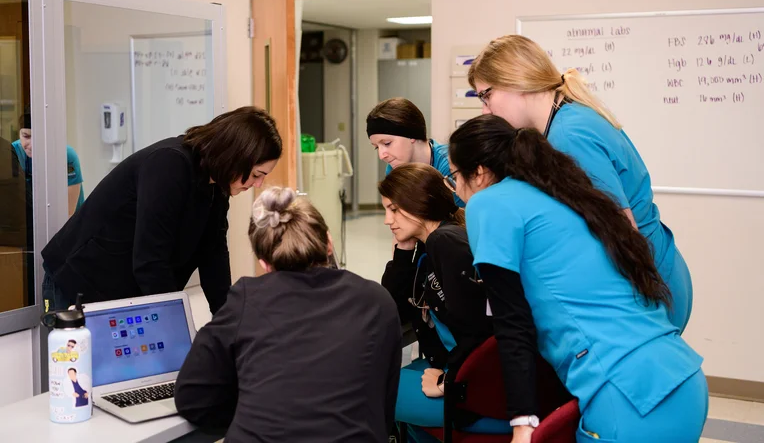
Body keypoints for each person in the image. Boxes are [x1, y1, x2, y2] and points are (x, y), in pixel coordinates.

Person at [447, 115, 707, 443]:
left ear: (480, 173)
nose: (456, 190)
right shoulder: (561, 192)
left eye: (455, 175)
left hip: (628, 398)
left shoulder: (488, 203)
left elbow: (512, 323)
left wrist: (522, 424)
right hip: (682, 377)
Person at [467, 35, 692, 333]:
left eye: (486, 95)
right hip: (657, 269)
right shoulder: (567, 117)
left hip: (648, 283)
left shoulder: (569, 136)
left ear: (516, 80)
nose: (485, 110)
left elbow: (623, 235)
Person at [175, 187, 402, 443]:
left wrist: (251, 410)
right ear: (328, 242)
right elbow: (382, 405)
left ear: (263, 262)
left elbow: (191, 398)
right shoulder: (377, 300)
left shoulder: (247, 299)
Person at [41, 106, 282, 314]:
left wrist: (229, 321)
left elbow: (213, 255)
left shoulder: (215, 187)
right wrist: (174, 321)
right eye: (256, 175)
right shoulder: (169, 165)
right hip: (77, 283)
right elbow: (150, 261)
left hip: (123, 290)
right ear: (236, 157)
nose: (257, 184)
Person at [378, 163, 504, 440]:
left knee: (368, 389)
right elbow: (391, 308)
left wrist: (449, 382)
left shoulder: (446, 242)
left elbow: (483, 330)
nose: (387, 220)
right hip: (459, 369)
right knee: (406, 415)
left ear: (419, 204)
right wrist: (403, 250)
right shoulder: (431, 243)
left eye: (394, 209)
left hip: (478, 389)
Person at [367, 97, 464, 207]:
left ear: (411, 134)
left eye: (387, 143)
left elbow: (461, 219)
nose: (381, 155)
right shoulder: (393, 169)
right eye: (376, 147)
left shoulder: (450, 164)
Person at [13, 112, 85, 217]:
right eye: (26, 136)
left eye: (39, 137)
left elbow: (68, 213)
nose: (32, 145)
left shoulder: (66, 156)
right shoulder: (13, 153)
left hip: (70, 222)